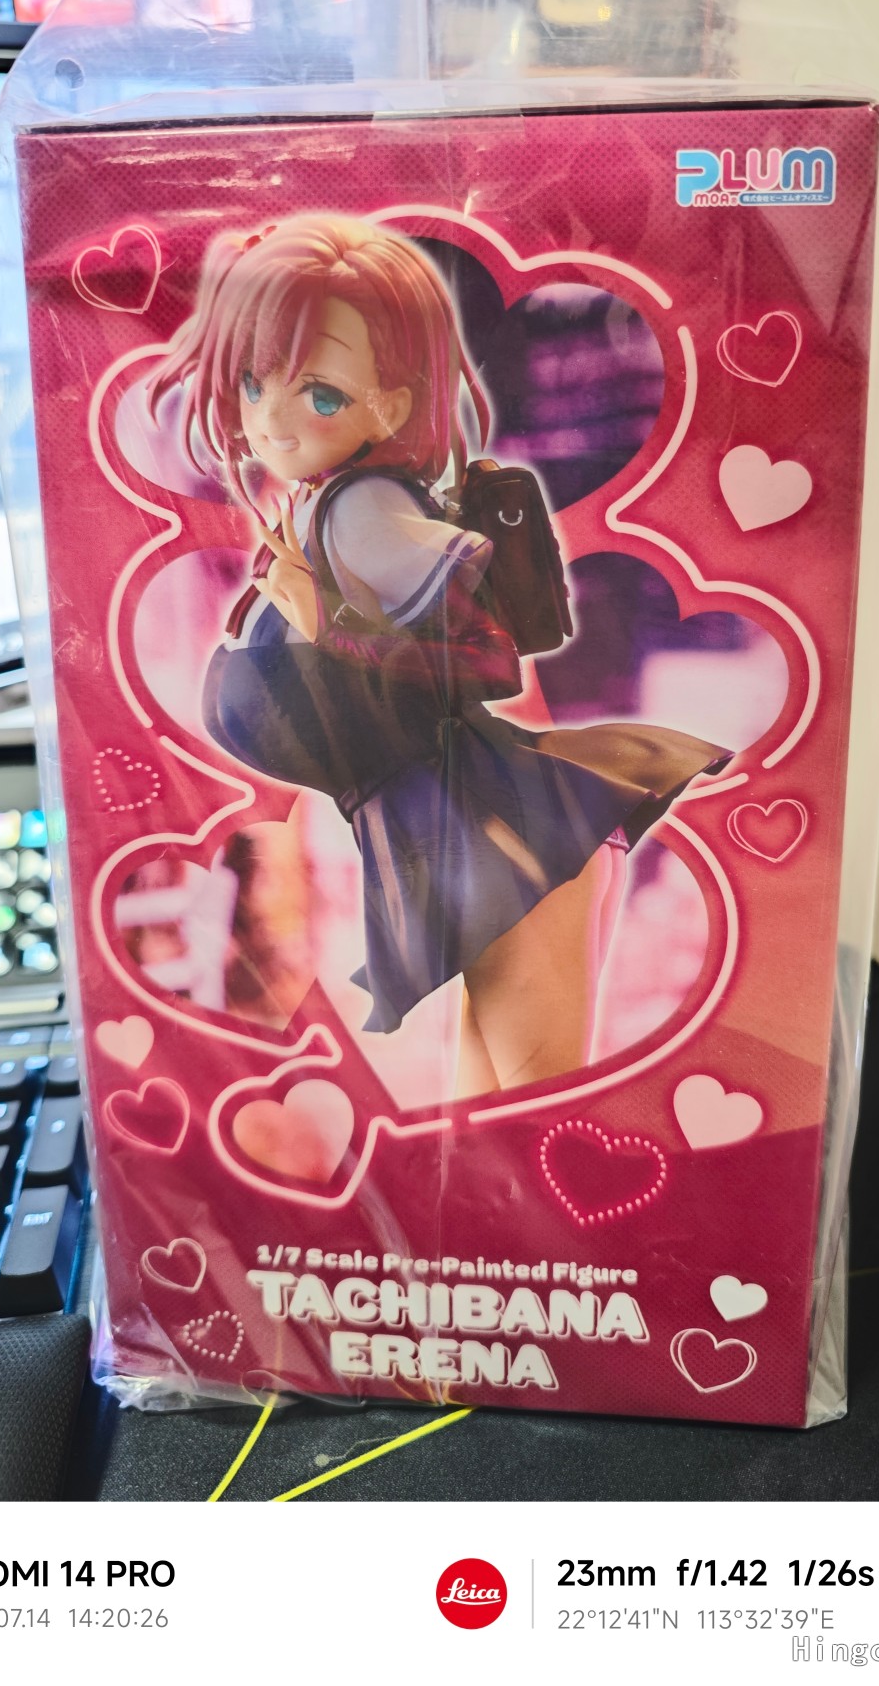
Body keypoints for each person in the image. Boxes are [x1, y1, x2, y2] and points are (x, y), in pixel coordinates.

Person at [147, 214, 730, 1121]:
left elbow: (478, 653)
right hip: (450, 823)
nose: (272, 421)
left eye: (320, 395)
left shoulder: (363, 511)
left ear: (390, 405)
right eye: (254, 385)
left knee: (530, 1099)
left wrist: (323, 620)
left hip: (487, 827)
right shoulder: (325, 505)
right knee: (494, 1097)